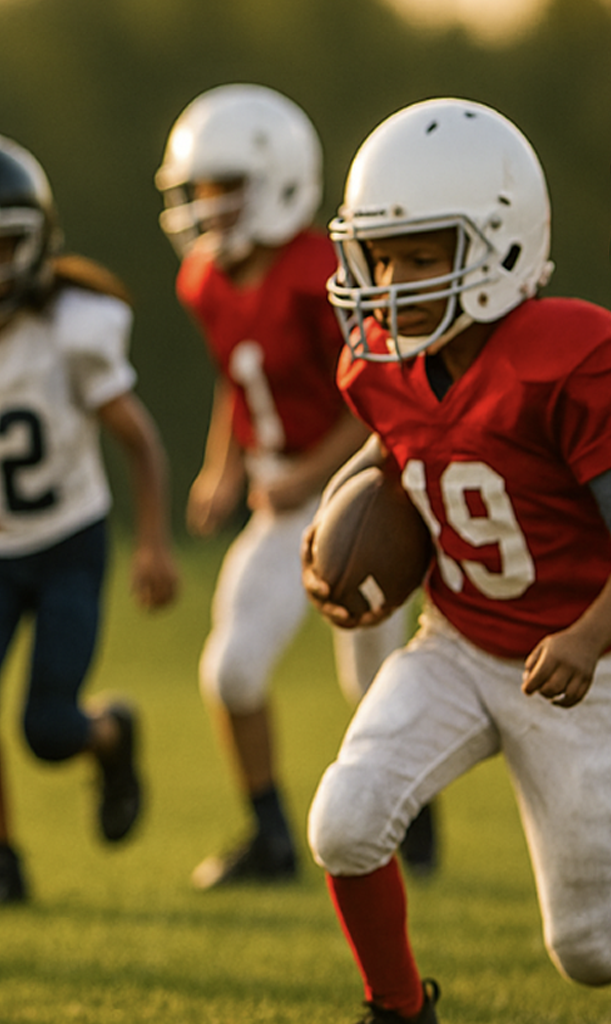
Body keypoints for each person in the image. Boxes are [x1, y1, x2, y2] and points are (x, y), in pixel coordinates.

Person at [305, 96, 611, 1024]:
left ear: (502, 246)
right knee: (345, 823)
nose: (393, 280)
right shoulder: (380, 367)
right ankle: (396, 1011)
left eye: (423, 256)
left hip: (580, 670)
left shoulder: (568, 356)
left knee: (590, 952)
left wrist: (590, 636)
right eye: (382, 255)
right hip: (460, 644)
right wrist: (337, 529)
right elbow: (401, 448)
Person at [0, 130, 178, 910]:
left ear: (36, 243)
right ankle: (0, 861)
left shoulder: (72, 323)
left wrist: (153, 542)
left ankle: (110, 734)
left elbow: (139, 439)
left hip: (67, 544)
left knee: (50, 731)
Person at [155, 83, 417, 889]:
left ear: (275, 181)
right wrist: (223, 465)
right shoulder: (206, 279)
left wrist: (308, 472)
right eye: (199, 192)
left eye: (224, 189)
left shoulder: (319, 275)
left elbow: (374, 391)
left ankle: (417, 815)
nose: (209, 210)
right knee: (231, 668)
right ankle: (269, 833)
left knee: (371, 676)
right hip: (279, 494)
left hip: (358, 486)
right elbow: (239, 379)